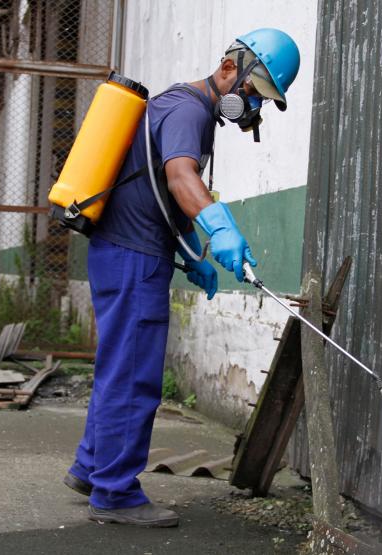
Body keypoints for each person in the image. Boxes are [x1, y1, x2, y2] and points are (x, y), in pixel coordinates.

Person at [63, 28, 301, 528]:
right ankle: (115, 493)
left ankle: (91, 467)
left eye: (262, 101)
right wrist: (220, 229)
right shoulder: (190, 110)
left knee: (118, 369)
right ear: (231, 66)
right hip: (132, 258)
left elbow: (159, 194)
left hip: (128, 252)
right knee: (133, 377)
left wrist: (192, 255)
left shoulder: (186, 108)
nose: (253, 107)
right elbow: (178, 178)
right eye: (255, 93)